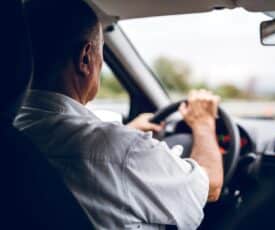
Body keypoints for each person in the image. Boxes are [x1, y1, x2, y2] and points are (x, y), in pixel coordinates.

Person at [14, 1, 223, 229]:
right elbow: (210, 187)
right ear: (86, 58)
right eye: (100, 51)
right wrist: (203, 123)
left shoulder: (12, 132)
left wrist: (127, 133)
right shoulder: (124, 151)